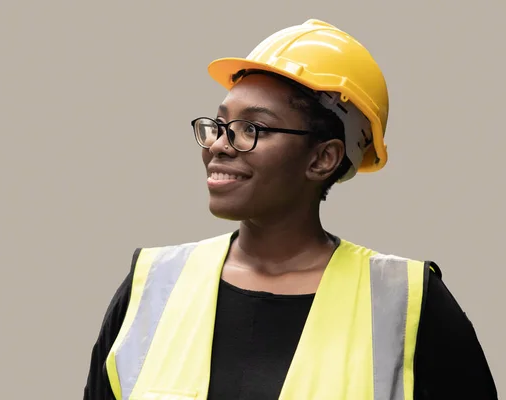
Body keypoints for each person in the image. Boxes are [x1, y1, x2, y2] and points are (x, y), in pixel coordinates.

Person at [83, 19, 498, 400]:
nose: (219, 144)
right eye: (220, 124)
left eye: (253, 129)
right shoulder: (152, 287)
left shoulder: (406, 303)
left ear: (323, 159)